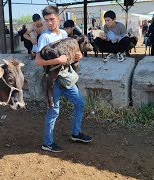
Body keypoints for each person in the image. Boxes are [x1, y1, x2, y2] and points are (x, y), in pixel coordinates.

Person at [35, 6, 92, 153]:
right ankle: (47, 143)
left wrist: (79, 56)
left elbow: (72, 53)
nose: (49, 23)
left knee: (79, 103)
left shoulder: (63, 34)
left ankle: (76, 133)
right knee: (53, 111)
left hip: (66, 77)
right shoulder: (44, 37)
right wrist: (57, 60)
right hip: (52, 80)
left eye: (52, 19)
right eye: (46, 20)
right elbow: (38, 62)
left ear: (58, 19)